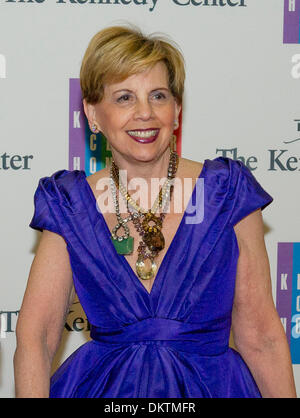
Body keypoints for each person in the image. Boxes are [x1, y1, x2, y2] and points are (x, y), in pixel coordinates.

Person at [14, 25, 297, 398]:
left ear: (177, 110)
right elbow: (37, 337)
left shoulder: (226, 192)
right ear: (92, 114)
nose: (144, 113)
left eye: (158, 96)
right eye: (124, 98)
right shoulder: (70, 204)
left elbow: (262, 337)